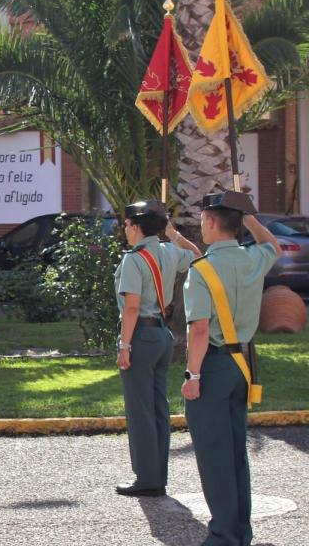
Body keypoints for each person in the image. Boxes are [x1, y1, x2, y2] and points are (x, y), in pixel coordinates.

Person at [182, 191, 280, 546]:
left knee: (213, 453)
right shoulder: (253, 258)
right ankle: (241, 531)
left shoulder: (203, 269)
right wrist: (249, 214)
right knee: (236, 452)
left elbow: (200, 329)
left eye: (202, 219)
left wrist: (192, 376)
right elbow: (274, 246)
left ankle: (223, 535)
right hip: (242, 367)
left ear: (209, 222)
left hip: (213, 366)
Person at [113, 200, 199, 497]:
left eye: (126, 225)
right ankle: (157, 475)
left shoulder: (133, 259)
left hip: (141, 337)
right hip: (162, 336)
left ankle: (147, 479)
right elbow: (199, 257)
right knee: (158, 409)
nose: (125, 230)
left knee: (140, 411)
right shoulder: (169, 251)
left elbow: (132, 307)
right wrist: (174, 235)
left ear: (136, 227)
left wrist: (124, 346)